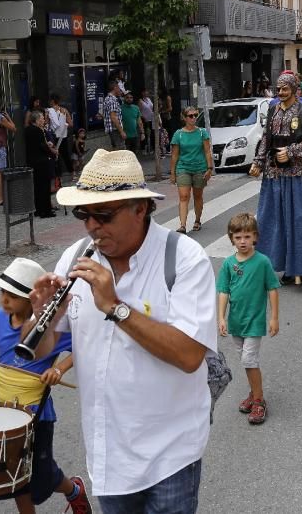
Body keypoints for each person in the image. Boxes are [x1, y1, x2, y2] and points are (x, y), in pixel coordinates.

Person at [29, 149, 217, 512]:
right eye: (84, 214)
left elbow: (190, 355)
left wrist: (116, 308)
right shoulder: (74, 258)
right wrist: (41, 319)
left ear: (140, 208)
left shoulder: (184, 259)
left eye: (104, 214)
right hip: (108, 455)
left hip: (170, 454)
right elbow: (39, 353)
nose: (92, 226)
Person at [0, 258, 90, 514]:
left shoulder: (47, 328)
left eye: (12, 295)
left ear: (30, 298)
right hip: (4, 412)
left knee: (42, 474)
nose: (4, 300)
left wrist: (58, 369)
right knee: (16, 478)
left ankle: (73, 490)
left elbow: (83, 346)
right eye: (2, 292)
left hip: (38, 414)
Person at [249, 71, 302, 284]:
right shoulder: (272, 109)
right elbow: (266, 138)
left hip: (301, 174)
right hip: (276, 172)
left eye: (284, 89)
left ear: (295, 90)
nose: (280, 93)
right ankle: (281, 264)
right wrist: (258, 162)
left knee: (301, 221)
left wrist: (291, 152)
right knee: (275, 220)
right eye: (278, 89)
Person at [216, 213, 279, 425]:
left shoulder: (262, 262)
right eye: (238, 237)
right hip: (236, 322)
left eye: (247, 237)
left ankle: (259, 401)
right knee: (246, 361)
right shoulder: (228, 264)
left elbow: (272, 289)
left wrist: (274, 318)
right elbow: (223, 291)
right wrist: (221, 318)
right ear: (231, 238)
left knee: (249, 360)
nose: (242, 241)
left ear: (255, 237)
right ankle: (254, 392)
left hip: (255, 322)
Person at [170, 107, 213, 234]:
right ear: (184, 118)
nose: (194, 118)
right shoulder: (179, 134)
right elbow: (175, 155)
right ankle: (182, 225)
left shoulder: (202, 132)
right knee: (184, 196)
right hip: (183, 168)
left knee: (197, 196)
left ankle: (197, 220)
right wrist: (173, 173)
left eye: (195, 115)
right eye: (190, 116)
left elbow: (207, 151)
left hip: (200, 168)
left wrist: (209, 168)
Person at [25, 111, 57, 218]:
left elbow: (36, 144)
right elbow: (42, 147)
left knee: (37, 186)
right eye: (42, 118)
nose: (44, 120)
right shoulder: (38, 131)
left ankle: (38, 209)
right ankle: (46, 210)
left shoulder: (27, 130)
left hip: (32, 161)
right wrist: (53, 153)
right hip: (41, 161)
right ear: (37, 120)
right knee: (44, 186)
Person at [46, 94, 73, 186]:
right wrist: (64, 126)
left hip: (54, 137)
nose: (49, 102)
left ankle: (59, 177)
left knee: (55, 157)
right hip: (63, 136)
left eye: (50, 101)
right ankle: (72, 174)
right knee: (66, 156)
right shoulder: (64, 110)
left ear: (52, 101)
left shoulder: (49, 111)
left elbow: (47, 124)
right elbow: (71, 123)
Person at [102, 79, 125, 149]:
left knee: (115, 151)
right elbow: (113, 117)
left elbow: (106, 115)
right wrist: (121, 131)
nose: (120, 91)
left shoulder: (107, 99)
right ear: (115, 88)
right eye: (119, 88)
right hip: (115, 131)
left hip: (112, 131)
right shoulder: (112, 100)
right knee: (120, 153)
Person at [137, 89, 155, 155]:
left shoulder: (149, 99)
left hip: (151, 119)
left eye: (147, 91)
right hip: (144, 120)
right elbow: (138, 111)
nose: (146, 93)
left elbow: (152, 108)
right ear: (142, 93)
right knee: (144, 134)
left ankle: (152, 148)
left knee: (152, 134)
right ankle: (143, 148)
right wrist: (142, 116)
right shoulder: (140, 101)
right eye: (144, 92)